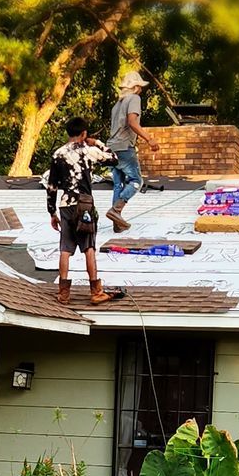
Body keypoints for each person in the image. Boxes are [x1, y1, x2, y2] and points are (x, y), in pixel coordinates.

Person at [43, 118, 126, 306]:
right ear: (84, 134)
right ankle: (96, 292)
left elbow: (51, 186)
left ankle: (63, 294)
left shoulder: (58, 154)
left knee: (65, 248)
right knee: (89, 248)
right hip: (85, 204)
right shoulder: (89, 151)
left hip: (65, 204)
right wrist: (96, 142)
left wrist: (51, 212)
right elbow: (114, 159)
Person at [107, 69, 147, 231]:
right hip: (124, 147)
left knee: (118, 184)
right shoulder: (134, 99)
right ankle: (116, 210)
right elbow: (132, 121)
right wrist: (149, 138)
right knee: (137, 181)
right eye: (140, 87)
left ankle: (117, 224)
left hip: (111, 147)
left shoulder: (117, 105)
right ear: (136, 87)